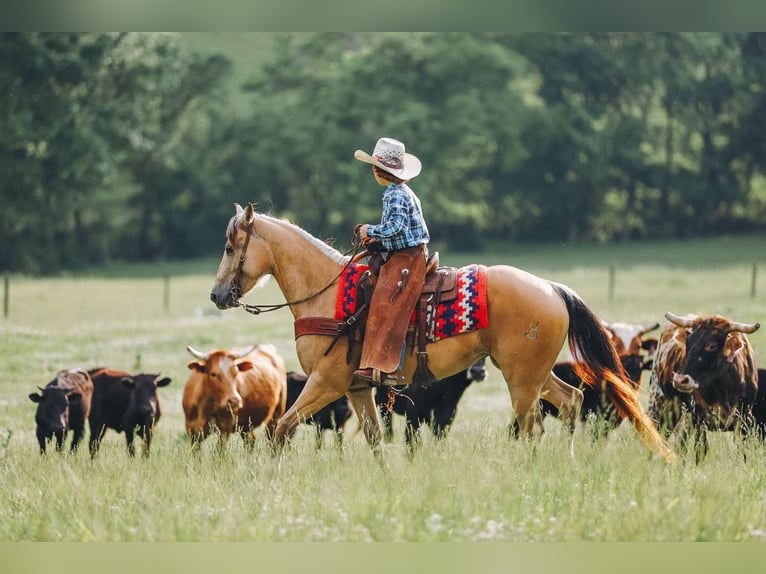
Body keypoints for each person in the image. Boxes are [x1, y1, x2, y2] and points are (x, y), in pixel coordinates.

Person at [353, 137, 430, 385]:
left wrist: (370, 231)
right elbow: (400, 231)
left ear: (378, 171)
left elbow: (396, 227)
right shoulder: (402, 191)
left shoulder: (393, 194)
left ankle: (385, 366)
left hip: (408, 257)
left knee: (386, 301)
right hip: (407, 252)